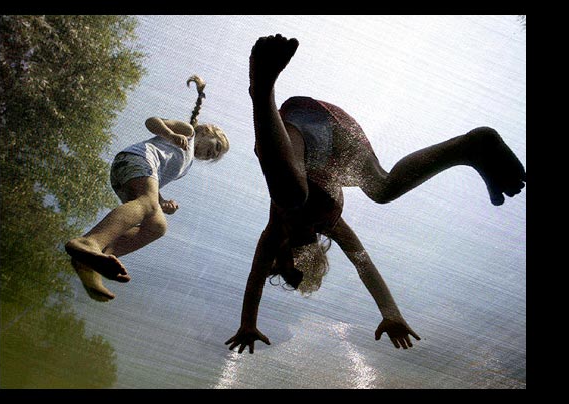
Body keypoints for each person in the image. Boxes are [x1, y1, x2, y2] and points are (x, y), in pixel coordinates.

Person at [225, 34, 526, 353]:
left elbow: (255, 277)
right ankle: (470, 145)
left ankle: (262, 89)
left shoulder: (277, 231)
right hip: (335, 139)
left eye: (283, 271)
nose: (280, 264)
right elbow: (364, 265)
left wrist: (248, 323)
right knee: (381, 188)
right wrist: (391, 314)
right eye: (291, 271)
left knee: (293, 193)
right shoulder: (330, 226)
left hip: (301, 130)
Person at [65, 75, 230, 302]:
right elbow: (152, 121)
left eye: (215, 157)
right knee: (147, 203)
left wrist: (161, 202)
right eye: (217, 146)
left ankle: (94, 259)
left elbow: (153, 182)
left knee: (158, 225)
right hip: (135, 159)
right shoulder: (188, 133)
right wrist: (170, 134)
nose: (213, 154)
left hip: (132, 174)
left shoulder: (186, 164)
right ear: (206, 131)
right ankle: (90, 241)